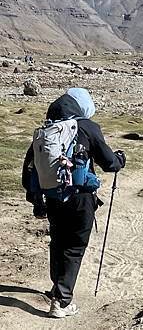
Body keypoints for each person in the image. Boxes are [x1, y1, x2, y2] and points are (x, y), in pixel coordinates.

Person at [22, 88, 126, 318]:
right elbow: (109, 163)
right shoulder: (87, 127)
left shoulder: (47, 129)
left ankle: (56, 288)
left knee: (58, 242)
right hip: (79, 198)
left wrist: (35, 199)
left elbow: (29, 167)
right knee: (75, 246)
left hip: (53, 198)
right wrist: (120, 159)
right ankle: (61, 301)